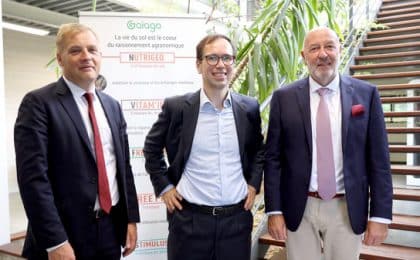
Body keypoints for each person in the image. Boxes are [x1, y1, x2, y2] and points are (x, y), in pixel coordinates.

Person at [264, 27, 393, 260]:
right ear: (304, 56)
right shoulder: (284, 98)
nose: (322, 54)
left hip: (346, 206)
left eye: (329, 46)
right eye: (314, 48)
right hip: (298, 206)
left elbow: (380, 160)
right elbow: (273, 159)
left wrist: (380, 216)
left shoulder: (367, 95)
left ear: (340, 50)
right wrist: (274, 210)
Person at [14, 23, 140, 260]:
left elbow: (123, 167)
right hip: (64, 234)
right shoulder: (38, 104)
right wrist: (55, 242)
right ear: (60, 59)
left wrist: (130, 219)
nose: (86, 57)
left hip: (110, 229)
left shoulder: (112, 106)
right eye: (75, 51)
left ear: (100, 56)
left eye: (92, 50)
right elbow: (33, 179)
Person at [143, 34, 264, 260]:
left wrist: (253, 184)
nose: (220, 64)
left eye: (227, 58)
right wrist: (164, 187)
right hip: (189, 223)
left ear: (233, 62)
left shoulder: (249, 108)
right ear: (198, 65)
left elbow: (258, 150)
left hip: (236, 223)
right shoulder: (177, 107)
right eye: (212, 58)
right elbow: (151, 148)